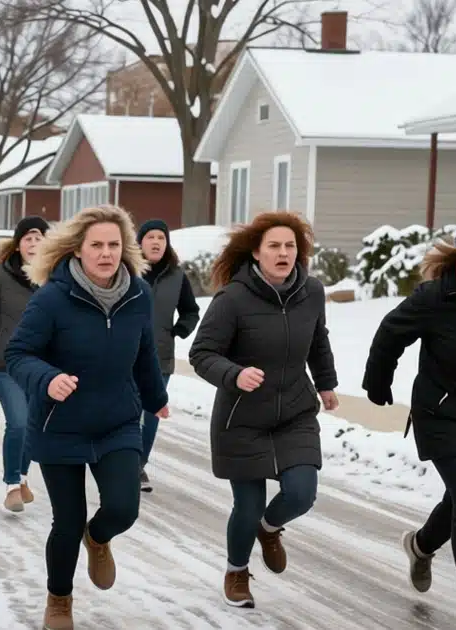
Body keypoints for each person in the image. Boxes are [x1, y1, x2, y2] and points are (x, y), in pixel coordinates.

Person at [4, 205, 168, 630]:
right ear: (78, 249)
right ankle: (59, 599)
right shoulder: (52, 298)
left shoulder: (137, 295)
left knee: (124, 508)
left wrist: (156, 397)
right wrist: (48, 378)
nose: (106, 253)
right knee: (67, 521)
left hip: (117, 421)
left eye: (114, 245)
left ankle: (97, 537)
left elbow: (144, 352)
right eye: (96, 245)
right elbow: (18, 354)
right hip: (60, 424)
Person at [363, 202, 456, 630]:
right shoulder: (438, 297)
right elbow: (390, 332)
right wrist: (378, 382)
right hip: (443, 413)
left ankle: (420, 546)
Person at [188, 211, 338, 610]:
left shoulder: (312, 292)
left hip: (294, 412)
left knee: (301, 494)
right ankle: (236, 571)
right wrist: (234, 374)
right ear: (256, 253)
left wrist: (326, 383)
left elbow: (318, 341)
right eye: (274, 246)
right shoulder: (232, 299)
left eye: (290, 246)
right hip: (243, 418)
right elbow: (201, 353)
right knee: (248, 505)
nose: (283, 253)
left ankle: (269, 529)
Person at [0, 215, 49, 512]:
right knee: (18, 422)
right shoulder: (1, 275)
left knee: (33, 425)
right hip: (6, 362)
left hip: (41, 366)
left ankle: (23, 477)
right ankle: (12, 485)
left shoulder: (56, 277)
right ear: (17, 245)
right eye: (28, 238)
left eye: (39, 238)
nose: (33, 243)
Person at [135, 219, 200, 492]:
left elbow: (191, 310)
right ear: (140, 242)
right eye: (150, 237)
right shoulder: (126, 270)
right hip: (124, 354)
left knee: (151, 415)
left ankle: (138, 467)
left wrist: (179, 329)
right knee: (125, 412)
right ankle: (117, 462)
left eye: (161, 237)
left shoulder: (176, 276)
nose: (156, 242)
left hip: (160, 356)